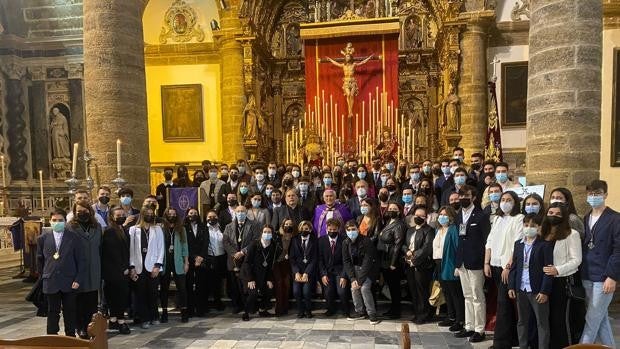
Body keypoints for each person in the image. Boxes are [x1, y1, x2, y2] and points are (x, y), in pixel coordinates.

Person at [580, 180, 620, 347]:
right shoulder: (586, 217)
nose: (594, 196)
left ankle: (582, 346)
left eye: (597, 193)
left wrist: (612, 276)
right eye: (590, 194)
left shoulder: (615, 218)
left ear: (605, 194)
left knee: (591, 319)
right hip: (587, 274)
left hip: (604, 277)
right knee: (599, 318)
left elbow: (618, 250)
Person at [541, 202, 584, 348]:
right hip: (545, 281)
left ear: (564, 216)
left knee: (560, 319)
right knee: (548, 318)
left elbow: (576, 260)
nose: (553, 216)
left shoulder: (572, 234)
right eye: (551, 213)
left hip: (562, 281)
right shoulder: (543, 232)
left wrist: (558, 269)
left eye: (557, 214)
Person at [508, 214, 554, 349]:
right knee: (522, 321)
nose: (529, 228)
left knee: (542, 323)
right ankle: (523, 346)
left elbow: (548, 270)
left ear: (539, 227)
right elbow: (514, 267)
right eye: (526, 225)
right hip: (521, 289)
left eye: (533, 226)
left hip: (537, 290)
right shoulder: (518, 244)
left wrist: (544, 291)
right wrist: (511, 286)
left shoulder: (545, 245)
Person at [484, 190, 523, 348]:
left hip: (507, 266)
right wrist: (486, 262)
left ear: (515, 203)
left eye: (509, 200)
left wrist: (509, 266)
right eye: (503, 199)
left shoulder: (518, 219)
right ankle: (512, 338)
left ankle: (501, 343)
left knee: (504, 304)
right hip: (494, 265)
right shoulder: (498, 219)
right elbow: (490, 241)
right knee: (502, 303)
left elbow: (517, 244)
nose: (505, 202)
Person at [37, 209, 85, 337]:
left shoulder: (74, 237)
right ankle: (52, 336)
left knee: (70, 310)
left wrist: (78, 279)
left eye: (60, 220)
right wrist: (43, 277)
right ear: (50, 221)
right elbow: (40, 260)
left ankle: (70, 336)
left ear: (65, 222)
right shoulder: (43, 238)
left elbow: (81, 260)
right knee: (53, 311)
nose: (57, 223)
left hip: (70, 281)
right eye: (54, 220)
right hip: (51, 280)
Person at [454, 185, 490, 343]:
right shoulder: (458, 215)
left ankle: (479, 329)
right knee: (467, 295)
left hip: (476, 262)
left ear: (473, 197)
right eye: (461, 196)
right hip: (462, 261)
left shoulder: (481, 216)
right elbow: (460, 239)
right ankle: (469, 326)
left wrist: (485, 262)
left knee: (477, 296)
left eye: (466, 195)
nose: (463, 198)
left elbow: (486, 240)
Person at [68, 202, 102, 339]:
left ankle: (91, 327)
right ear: (75, 213)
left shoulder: (97, 226)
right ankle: (80, 327)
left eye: (85, 210)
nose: (82, 213)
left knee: (92, 301)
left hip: (94, 267)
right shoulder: (70, 227)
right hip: (78, 270)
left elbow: (100, 247)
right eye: (79, 211)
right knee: (79, 301)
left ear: (90, 211)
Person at [129, 206, 165, 329]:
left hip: (153, 266)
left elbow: (161, 248)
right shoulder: (133, 230)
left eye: (151, 213)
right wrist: (132, 267)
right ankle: (144, 318)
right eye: (147, 213)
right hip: (139, 266)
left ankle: (154, 316)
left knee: (153, 293)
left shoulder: (157, 229)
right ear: (142, 215)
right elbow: (131, 250)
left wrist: (158, 265)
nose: (150, 215)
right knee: (141, 294)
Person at [223, 205, 261, 313]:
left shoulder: (254, 225)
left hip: (247, 258)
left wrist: (243, 251)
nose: (240, 213)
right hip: (233, 259)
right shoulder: (228, 226)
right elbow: (225, 242)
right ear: (235, 213)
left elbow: (256, 240)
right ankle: (237, 305)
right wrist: (234, 253)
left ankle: (250, 306)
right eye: (238, 211)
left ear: (246, 213)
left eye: (242, 211)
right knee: (235, 285)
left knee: (247, 284)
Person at [343, 220, 381, 325]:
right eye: (349, 230)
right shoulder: (345, 243)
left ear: (358, 229)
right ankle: (360, 312)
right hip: (355, 270)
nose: (351, 232)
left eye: (353, 229)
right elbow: (346, 261)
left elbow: (368, 261)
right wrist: (352, 279)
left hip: (369, 270)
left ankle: (372, 314)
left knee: (364, 288)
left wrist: (360, 280)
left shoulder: (366, 241)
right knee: (354, 288)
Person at [433, 206, 464, 332]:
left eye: (445, 214)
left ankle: (459, 319)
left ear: (451, 216)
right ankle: (450, 317)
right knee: (446, 292)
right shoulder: (438, 230)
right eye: (440, 214)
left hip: (450, 263)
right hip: (439, 263)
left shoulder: (453, 229)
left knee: (455, 293)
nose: (442, 217)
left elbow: (458, 247)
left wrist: (458, 265)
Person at [402, 205, 435, 323]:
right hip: (409, 264)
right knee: (413, 290)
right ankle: (416, 313)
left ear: (426, 218)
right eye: (416, 215)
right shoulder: (410, 230)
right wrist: (407, 252)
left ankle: (424, 314)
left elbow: (427, 248)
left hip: (422, 265)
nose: (418, 217)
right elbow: (404, 244)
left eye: (421, 216)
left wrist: (414, 258)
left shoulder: (429, 230)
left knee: (422, 291)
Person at [102, 207, 131, 334]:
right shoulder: (109, 231)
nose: (121, 217)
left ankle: (113, 319)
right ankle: (120, 321)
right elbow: (113, 253)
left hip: (121, 270)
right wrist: (123, 268)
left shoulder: (122, 229)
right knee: (116, 296)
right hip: (114, 271)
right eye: (118, 215)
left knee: (120, 295)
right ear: (112, 217)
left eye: (123, 214)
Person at [240, 225, 278, 321]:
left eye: (269, 232)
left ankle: (262, 309)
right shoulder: (254, 244)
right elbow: (247, 263)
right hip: (249, 274)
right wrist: (250, 279)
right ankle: (246, 312)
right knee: (253, 293)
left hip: (263, 274)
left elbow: (270, 265)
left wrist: (269, 279)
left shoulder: (273, 246)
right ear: (261, 233)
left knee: (269, 288)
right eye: (265, 232)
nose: (267, 234)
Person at [159, 207, 190, 323]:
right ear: (165, 215)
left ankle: (184, 312)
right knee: (164, 288)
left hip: (178, 261)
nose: (172, 215)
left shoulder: (181, 228)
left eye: (174, 214)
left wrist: (186, 262)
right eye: (169, 214)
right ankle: (164, 312)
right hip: (165, 262)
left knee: (182, 288)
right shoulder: (161, 228)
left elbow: (184, 246)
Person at [378, 202, 406, 319]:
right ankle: (392, 309)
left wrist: (393, 263)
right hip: (384, 258)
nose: (391, 211)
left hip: (392, 260)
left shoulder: (399, 224)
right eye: (390, 209)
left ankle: (396, 311)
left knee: (394, 287)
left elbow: (397, 245)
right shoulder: (388, 222)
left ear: (399, 211)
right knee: (390, 286)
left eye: (394, 209)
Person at [318, 219, 349, 316]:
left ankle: (345, 310)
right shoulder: (321, 240)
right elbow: (320, 259)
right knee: (328, 291)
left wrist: (344, 276)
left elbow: (346, 260)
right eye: (330, 229)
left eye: (334, 229)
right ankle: (330, 309)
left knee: (342, 291)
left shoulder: (344, 240)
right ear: (327, 229)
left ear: (338, 229)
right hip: (327, 271)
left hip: (340, 271)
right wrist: (323, 274)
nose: (332, 231)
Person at [184, 208, 210, 317]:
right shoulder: (183, 227)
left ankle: (201, 309)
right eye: (191, 213)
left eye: (195, 213)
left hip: (201, 259)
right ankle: (190, 309)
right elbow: (185, 244)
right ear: (187, 215)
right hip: (188, 260)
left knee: (202, 285)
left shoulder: (203, 226)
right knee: (189, 285)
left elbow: (206, 242)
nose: (193, 215)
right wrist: (194, 257)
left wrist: (201, 257)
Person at [290, 220, 318, 318]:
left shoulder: (315, 240)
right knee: (296, 291)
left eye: (306, 229)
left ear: (310, 229)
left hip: (309, 271)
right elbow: (292, 258)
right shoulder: (294, 239)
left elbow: (315, 259)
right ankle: (300, 310)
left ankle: (308, 310)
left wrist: (307, 273)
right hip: (297, 271)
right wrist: (296, 272)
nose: (304, 230)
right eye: (302, 229)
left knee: (306, 291)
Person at [204, 209, 227, 313]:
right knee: (209, 280)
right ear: (206, 218)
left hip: (221, 257)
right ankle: (209, 302)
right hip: (210, 257)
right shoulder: (204, 229)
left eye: (214, 217)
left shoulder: (222, 227)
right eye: (209, 217)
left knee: (219, 280)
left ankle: (218, 301)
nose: (212, 218)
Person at [273, 219, 295, 315]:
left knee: (286, 285)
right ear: (283, 225)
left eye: (290, 224)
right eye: (286, 224)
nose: (288, 226)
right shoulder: (277, 236)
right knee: (279, 284)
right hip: (278, 263)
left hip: (288, 263)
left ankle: (285, 307)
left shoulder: (295, 237)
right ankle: (279, 308)